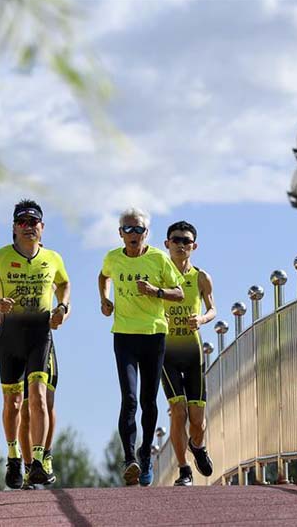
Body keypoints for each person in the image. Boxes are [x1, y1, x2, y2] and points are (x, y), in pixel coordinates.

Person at [0, 200, 70, 489]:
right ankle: (13, 455)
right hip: (9, 337)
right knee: (12, 404)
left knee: (37, 398)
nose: (29, 227)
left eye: (33, 222)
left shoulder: (53, 258)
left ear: (42, 227)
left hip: (40, 335)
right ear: (14, 227)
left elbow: (64, 284)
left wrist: (62, 308)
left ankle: (38, 461)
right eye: (22, 222)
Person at [99, 208, 184, 486]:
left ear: (147, 233)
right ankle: (130, 459)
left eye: (139, 230)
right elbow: (104, 276)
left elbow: (179, 292)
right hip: (123, 335)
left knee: (148, 401)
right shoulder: (113, 258)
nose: (133, 234)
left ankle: (145, 455)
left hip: (153, 335)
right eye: (128, 229)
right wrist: (105, 299)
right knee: (130, 398)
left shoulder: (159, 259)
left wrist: (155, 292)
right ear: (120, 233)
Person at [0, 280, 61, 488]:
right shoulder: (5, 275)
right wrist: (11, 319)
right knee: (21, 408)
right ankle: (28, 466)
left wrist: (59, 315)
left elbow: (65, 305)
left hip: (41, 344)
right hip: (14, 343)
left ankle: (45, 457)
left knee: (45, 400)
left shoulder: (48, 272)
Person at [162, 221, 216, 486]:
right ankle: (184, 469)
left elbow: (213, 308)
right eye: (176, 240)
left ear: (194, 246)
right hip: (167, 352)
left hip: (193, 352)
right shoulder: (158, 275)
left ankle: (198, 446)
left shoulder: (200, 277)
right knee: (178, 410)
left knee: (198, 420)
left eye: (186, 241)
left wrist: (202, 319)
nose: (181, 245)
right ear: (167, 244)